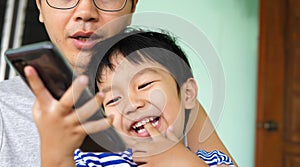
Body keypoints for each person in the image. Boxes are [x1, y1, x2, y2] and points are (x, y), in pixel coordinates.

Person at [0, 0, 235, 166]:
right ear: (40, 5)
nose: (85, 11)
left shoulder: (173, 105)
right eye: (112, 99)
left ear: (133, 5)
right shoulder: (4, 108)